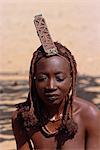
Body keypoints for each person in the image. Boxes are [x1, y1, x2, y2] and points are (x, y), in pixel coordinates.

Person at [12, 15, 100, 150]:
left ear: (71, 79)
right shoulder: (23, 118)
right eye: (42, 78)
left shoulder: (89, 115)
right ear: (33, 80)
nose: (51, 86)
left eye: (59, 78)